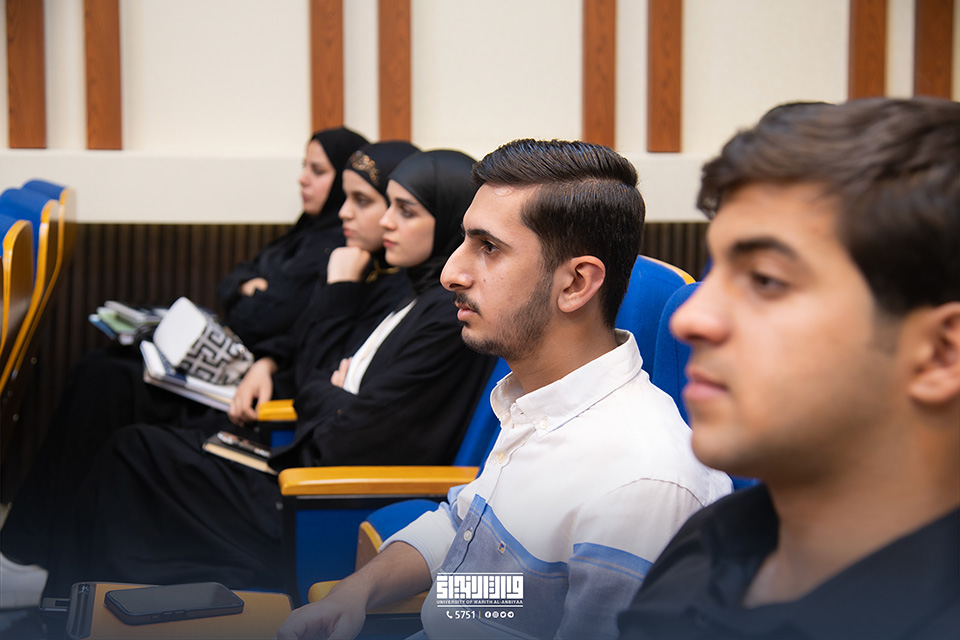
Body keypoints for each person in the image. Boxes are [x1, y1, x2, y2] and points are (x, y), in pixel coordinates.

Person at [275, 139, 732, 640]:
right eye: (464, 240)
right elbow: (479, 553)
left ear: (575, 284)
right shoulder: (537, 403)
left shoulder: (641, 485)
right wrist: (352, 595)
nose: (450, 273)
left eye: (488, 247)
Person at [34, 148, 496, 599]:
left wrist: (331, 394)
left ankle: (73, 612)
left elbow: (349, 430)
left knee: (134, 455)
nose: (387, 222)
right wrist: (332, 394)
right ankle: (82, 606)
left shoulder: (444, 317)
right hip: (309, 467)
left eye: (405, 210)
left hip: (325, 499)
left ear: (449, 222)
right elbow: (320, 378)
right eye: (388, 206)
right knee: (134, 445)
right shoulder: (410, 290)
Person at [618, 97, 960, 639]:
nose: (689, 319)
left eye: (766, 280)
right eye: (717, 271)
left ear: (940, 353)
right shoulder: (712, 540)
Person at [0, 127, 369, 610]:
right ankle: (33, 547)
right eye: (305, 166)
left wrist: (257, 310)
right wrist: (251, 294)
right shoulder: (306, 229)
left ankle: (37, 558)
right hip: (246, 366)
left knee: (109, 388)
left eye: (318, 171)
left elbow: (271, 318)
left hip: (257, 397)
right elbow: (234, 283)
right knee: (101, 369)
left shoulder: (340, 251)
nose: (303, 179)